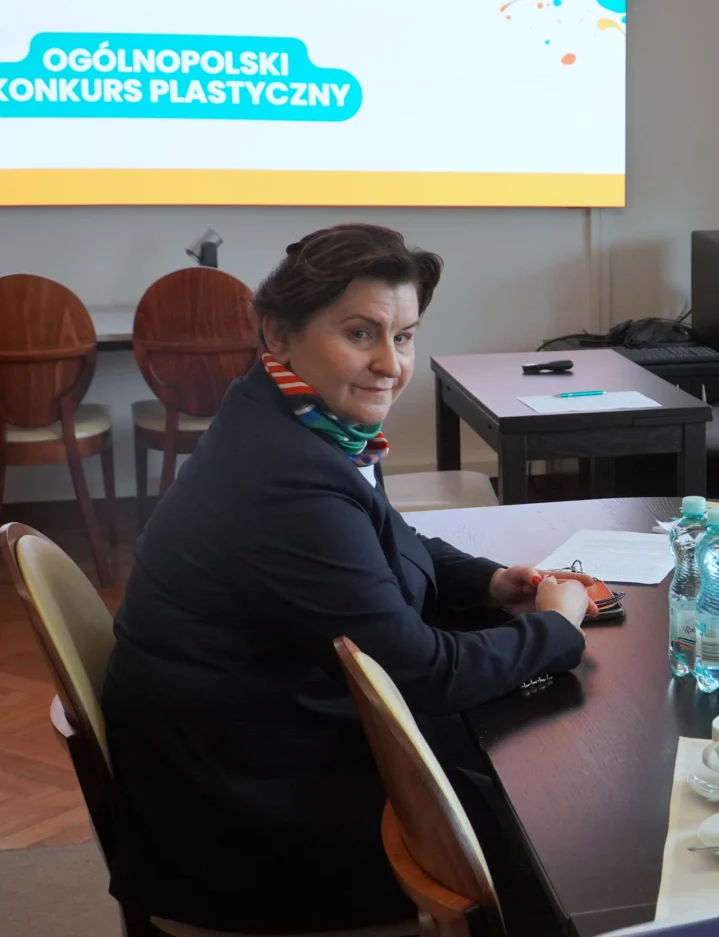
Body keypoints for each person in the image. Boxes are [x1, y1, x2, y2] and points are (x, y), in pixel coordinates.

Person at [102, 224, 598, 931]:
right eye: (361, 334)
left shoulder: (293, 416)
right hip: (252, 824)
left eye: (404, 337)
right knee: (549, 832)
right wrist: (556, 628)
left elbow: (385, 537)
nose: (390, 364)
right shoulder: (285, 479)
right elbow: (424, 674)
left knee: (515, 768)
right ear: (279, 334)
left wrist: (490, 583)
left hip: (252, 749)